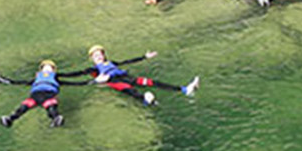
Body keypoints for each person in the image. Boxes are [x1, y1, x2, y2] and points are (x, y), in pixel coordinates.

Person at [56, 45, 198, 106]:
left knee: (152, 82)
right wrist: (57, 76)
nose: (98, 57)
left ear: (104, 55)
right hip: (115, 82)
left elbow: (128, 61)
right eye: (95, 56)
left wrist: (144, 57)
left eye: (99, 54)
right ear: (92, 59)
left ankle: (185, 90)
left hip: (126, 77)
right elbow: (75, 74)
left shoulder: (112, 63)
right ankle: (146, 101)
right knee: (131, 91)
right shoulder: (93, 69)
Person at [0, 59, 67, 127]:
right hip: (35, 96)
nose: (47, 69)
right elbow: (15, 82)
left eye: (49, 67)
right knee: (24, 107)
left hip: (49, 95)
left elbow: (74, 78)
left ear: (53, 70)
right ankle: (10, 119)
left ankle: (56, 118)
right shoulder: (35, 81)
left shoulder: (55, 79)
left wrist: (80, 75)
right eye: (45, 67)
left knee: (51, 107)